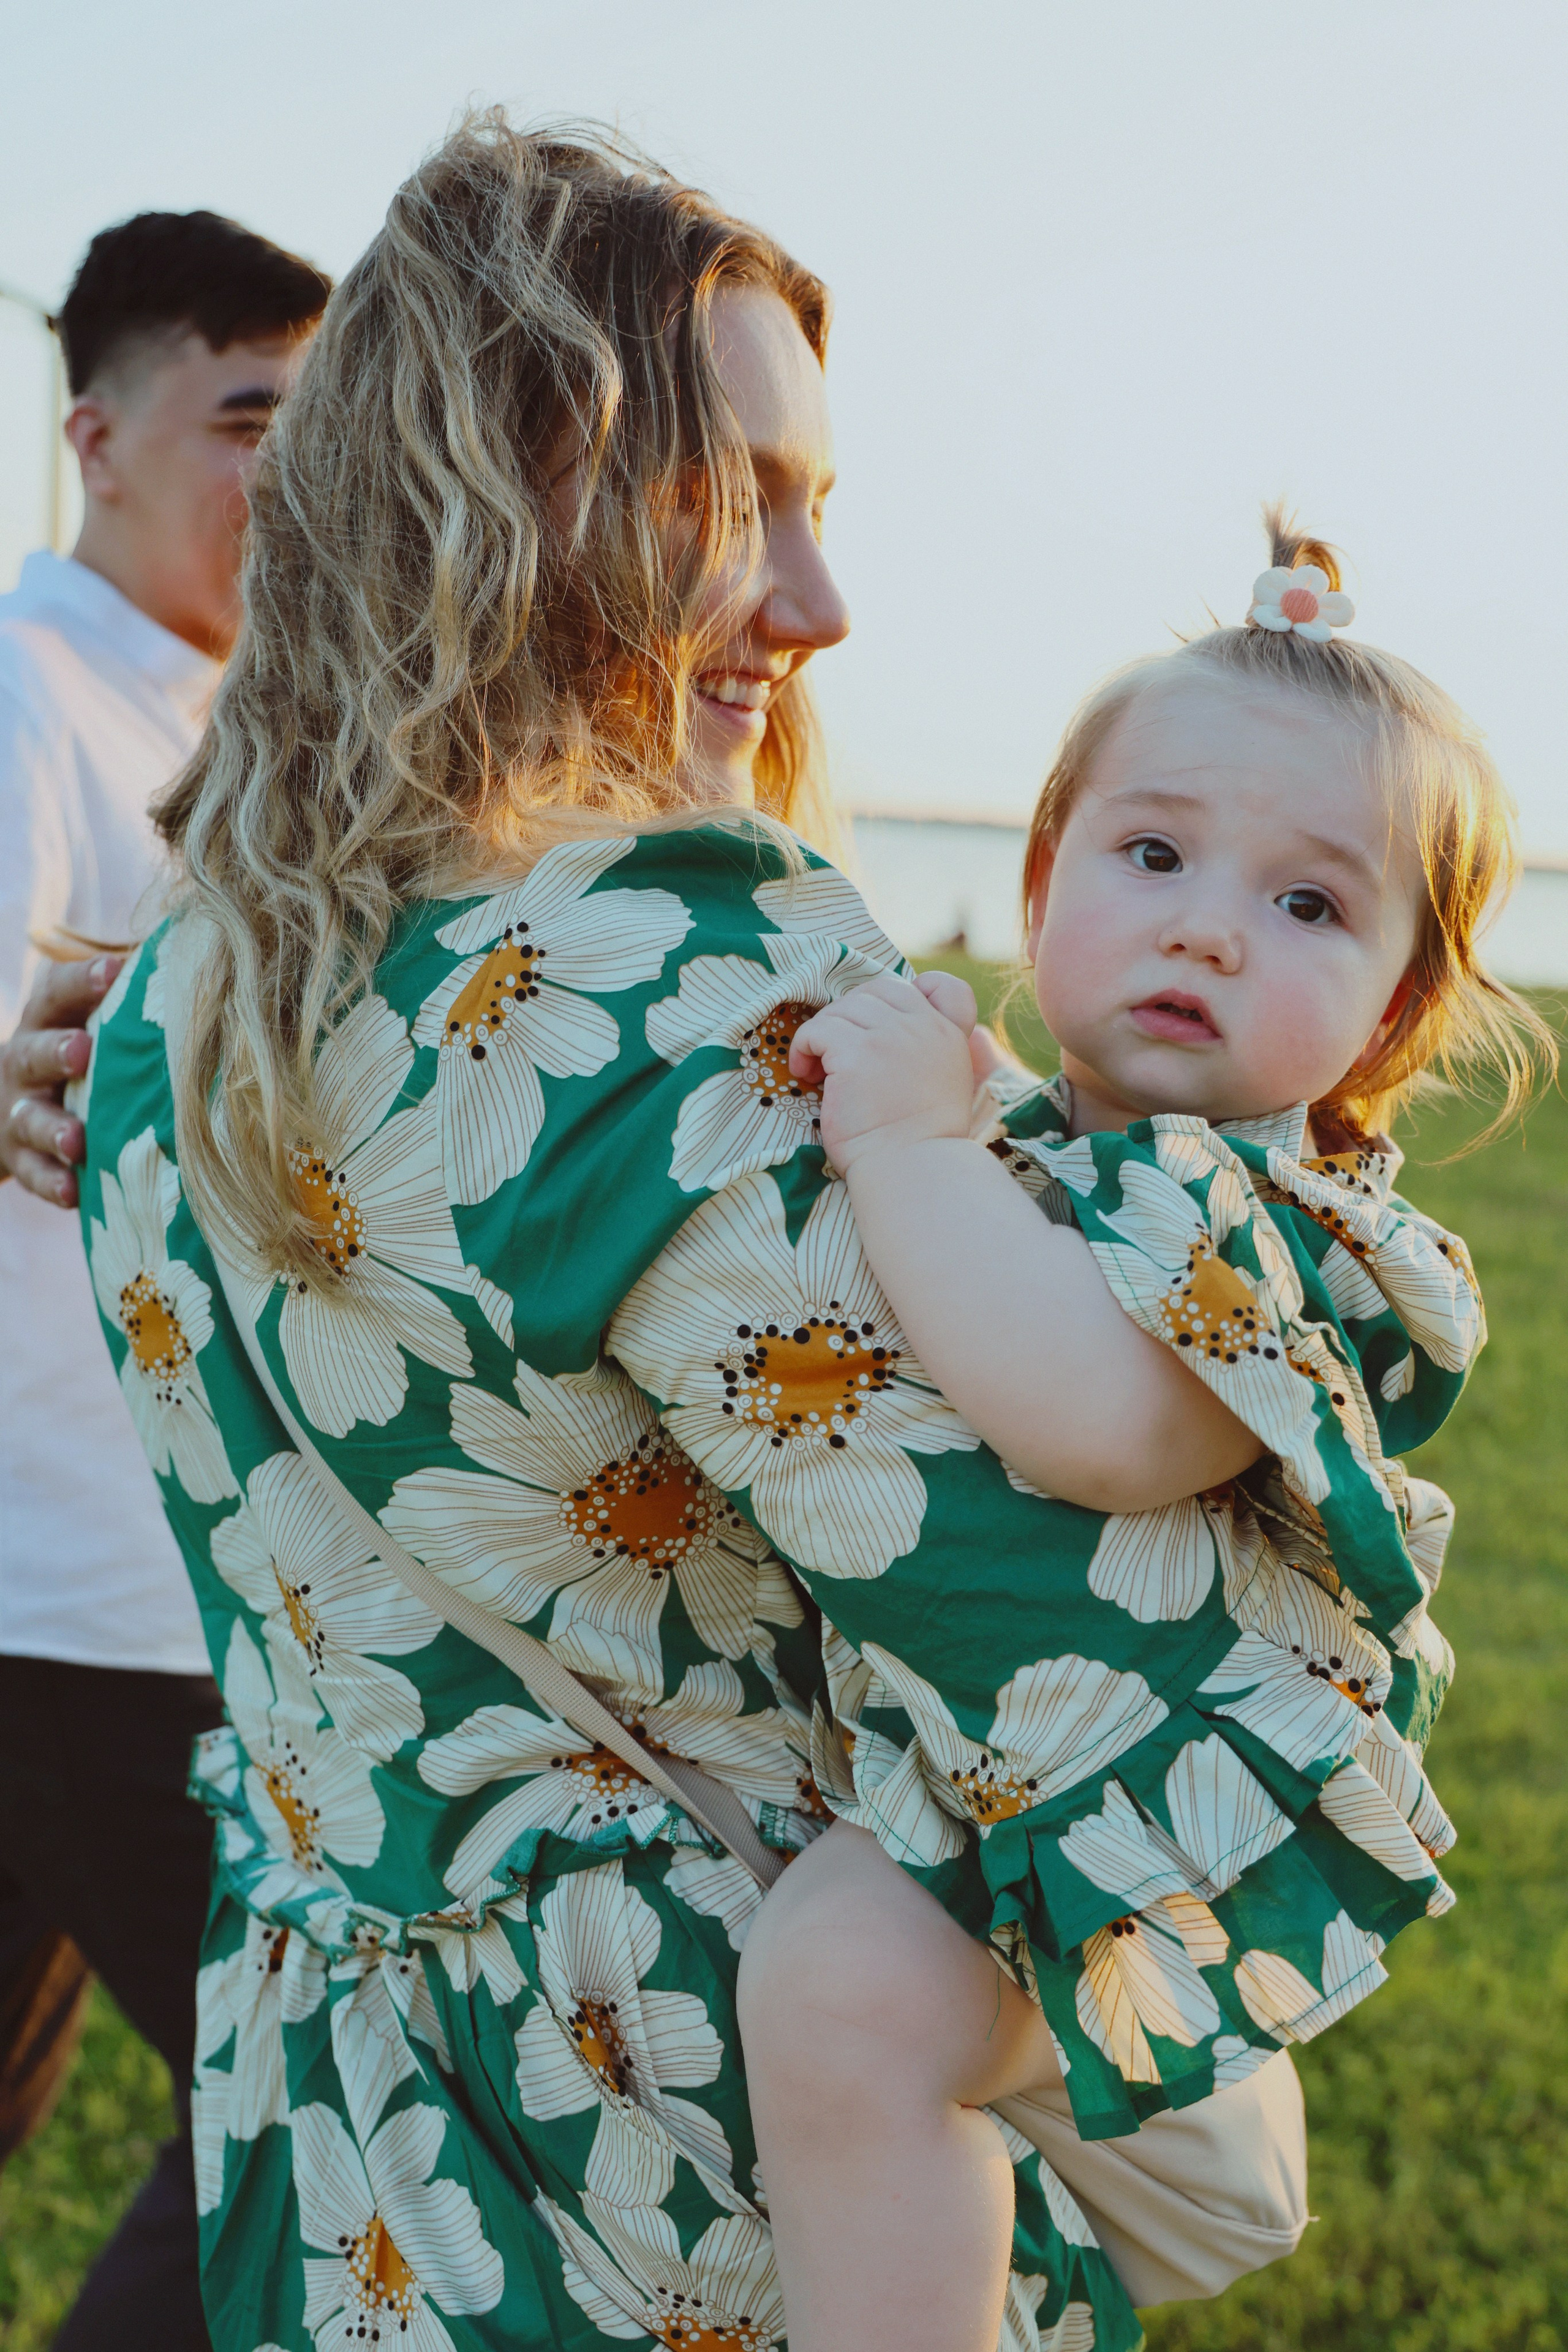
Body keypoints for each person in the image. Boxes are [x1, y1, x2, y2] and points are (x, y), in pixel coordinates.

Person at [64, 117, 1311, 2352]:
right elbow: (1085, 1646)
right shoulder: (673, 971)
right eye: (739, 501)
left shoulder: (181, 988)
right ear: (502, 486)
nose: (823, 608)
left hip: (351, 2143)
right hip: (699, 2172)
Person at [733, 510, 1554, 2346]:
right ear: (1044, 875)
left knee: (843, 1995)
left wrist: (905, 1142)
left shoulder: (1271, 1221)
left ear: (1394, 1007)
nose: (1205, 924)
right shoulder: (1059, 1144)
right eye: (1157, 851)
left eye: (1308, 905)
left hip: (1153, 1799)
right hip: (1016, 1758)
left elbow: (1099, 1427)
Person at [0, 208, 329, 2351]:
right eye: (244, 421)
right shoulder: (33, 704)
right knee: (326, 2094)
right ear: (94, 436)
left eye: (317, 429)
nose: (285, 478)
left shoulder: (222, 726)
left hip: (116, 1585)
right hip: (90, 1601)